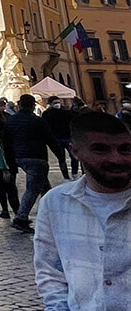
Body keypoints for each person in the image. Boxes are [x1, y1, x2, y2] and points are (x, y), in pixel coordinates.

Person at [34, 111, 131, 310]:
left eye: (125, 149)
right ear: (75, 152)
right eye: (100, 149)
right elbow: (50, 271)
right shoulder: (55, 203)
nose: (116, 159)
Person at [7, 94, 70, 233]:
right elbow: (50, 139)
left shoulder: (11, 120)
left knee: (44, 187)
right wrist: (60, 156)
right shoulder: (37, 121)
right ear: (33, 106)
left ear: (19, 105)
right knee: (32, 189)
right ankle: (21, 218)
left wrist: (10, 160)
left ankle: (51, 214)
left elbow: (6, 140)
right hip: (36, 157)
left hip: (18, 157)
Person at [41, 97, 79, 177]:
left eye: (58, 102)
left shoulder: (66, 112)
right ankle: (66, 176)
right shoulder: (47, 114)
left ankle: (74, 173)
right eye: (55, 103)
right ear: (50, 104)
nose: (57, 104)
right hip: (56, 139)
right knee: (61, 159)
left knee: (74, 157)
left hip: (68, 137)